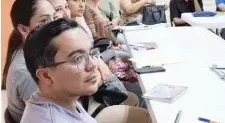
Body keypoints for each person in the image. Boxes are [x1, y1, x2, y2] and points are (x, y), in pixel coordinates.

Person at [21, 18, 151, 123]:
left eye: (90, 53)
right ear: (46, 76)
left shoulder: (64, 99)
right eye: (78, 58)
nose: (93, 64)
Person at [2, 0, 56, 123]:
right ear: (23, 29)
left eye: (54, 18)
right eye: (44, 21)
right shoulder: (27, 73)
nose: (54, 26)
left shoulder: (35, 52)